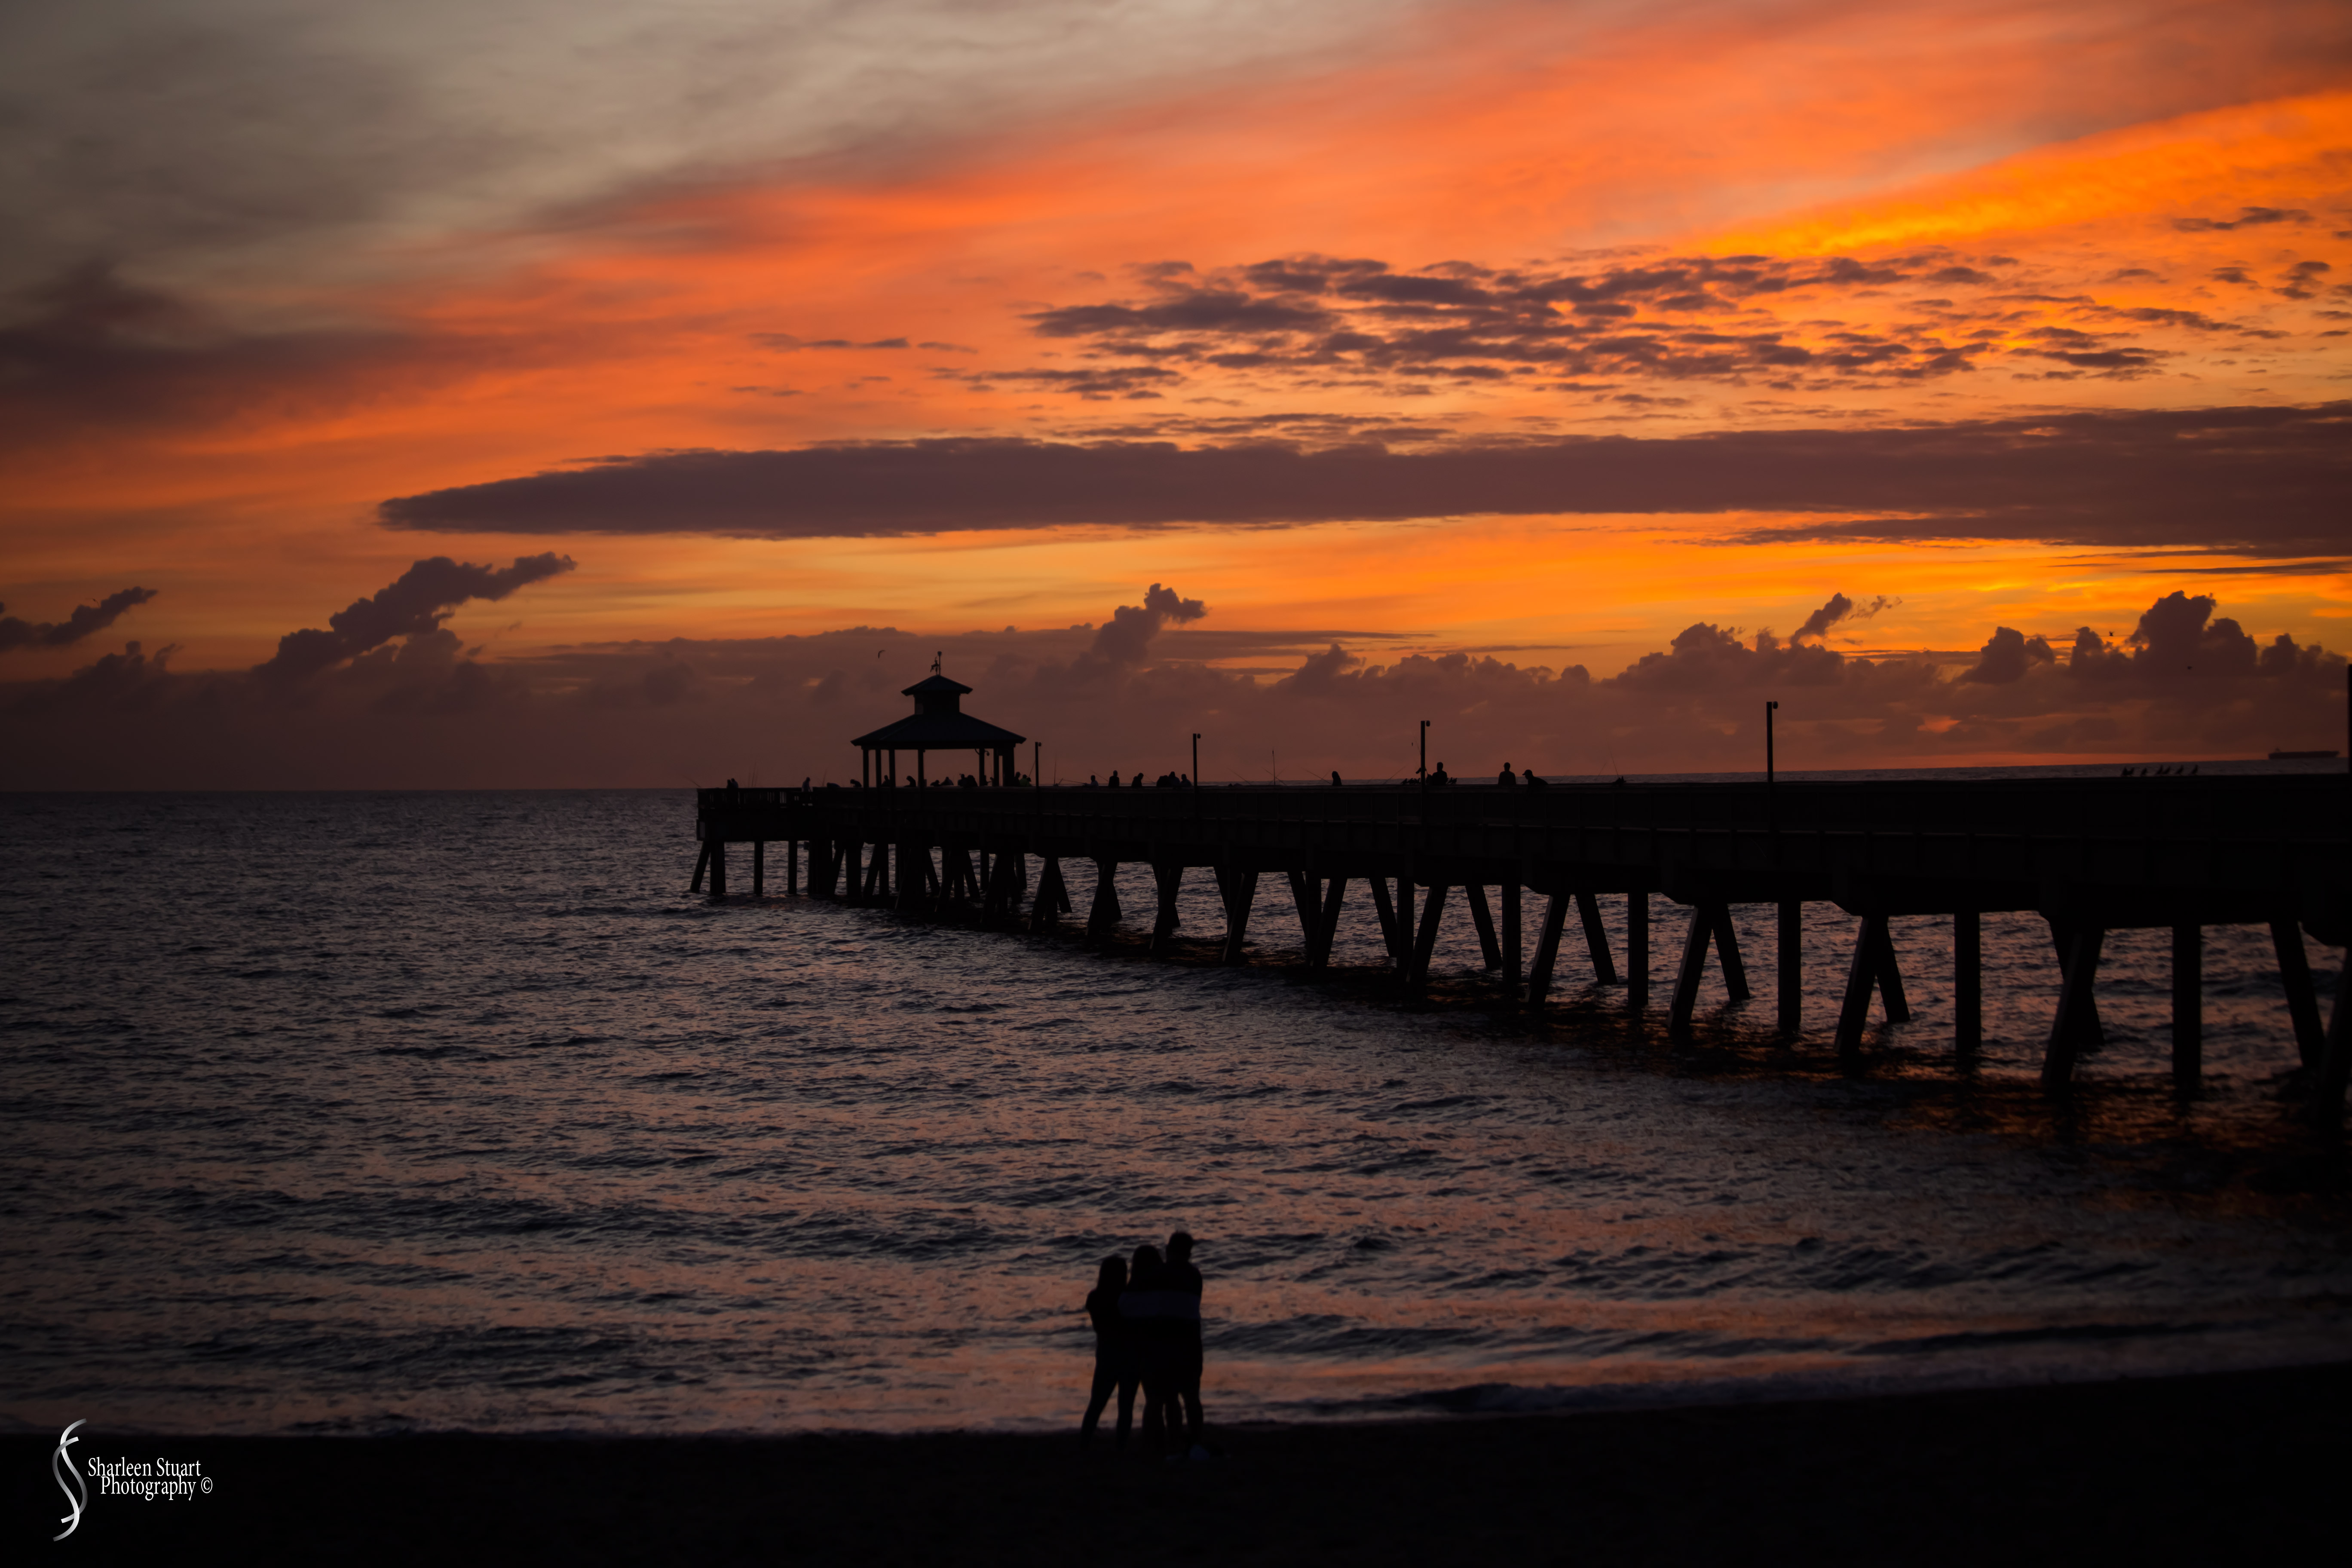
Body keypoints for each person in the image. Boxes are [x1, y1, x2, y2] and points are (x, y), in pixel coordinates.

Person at [1121, 1244, 1181, 1456]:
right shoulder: (1162, 1291)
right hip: (1164, 1348)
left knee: (1153, 1399)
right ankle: (1173, 1441)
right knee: (1170, 1398)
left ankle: (1152, 1442)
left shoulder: (1128, 1294)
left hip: (1140, 1352)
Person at [1081, 1255, 1139, 1452]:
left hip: (1106, 1355)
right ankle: (1121, 1446)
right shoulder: (1129, 1297)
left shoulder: (1095, 1297)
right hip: (1130, 1355)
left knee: (1097, 1403)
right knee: (1126, 1406)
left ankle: (1084, 1443)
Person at [1163, 1231, 1207, 1456]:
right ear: (1189, 1252)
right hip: (1191, 1341)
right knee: (1192, 1396)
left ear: (1169, 1249)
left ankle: (1175, 1441)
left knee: (1170, 1398)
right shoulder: (1195, 1275)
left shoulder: (1161, 1274)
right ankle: (1197, 1441)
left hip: (1168, 1342)